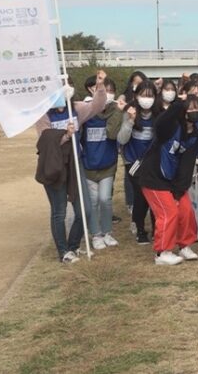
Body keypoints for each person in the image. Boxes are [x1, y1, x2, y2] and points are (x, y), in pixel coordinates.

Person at [35, 72, 106, 263]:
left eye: (67, 85)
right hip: (55, 166)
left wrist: (100, 87)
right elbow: (45, 140)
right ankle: (63, 251)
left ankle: (73, 246)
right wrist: (65, 135)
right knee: (59, 210)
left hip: (75, 164)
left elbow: (97, 106)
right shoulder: (43, 114)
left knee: (85, 209)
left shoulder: (76, 109)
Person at [136, 93, 198, 265]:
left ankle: (184, 245)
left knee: (186, 210)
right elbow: (160, 122)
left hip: (173, 180)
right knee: (168, 212)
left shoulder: (195, 135)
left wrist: (179, 190)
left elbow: (187, 165)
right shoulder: (171, 127)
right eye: (190, 108)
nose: (194, 111)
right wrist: (178, 104)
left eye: (197, 108)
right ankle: (162, 252)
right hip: (153, 177)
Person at [81, 75, 124, 250]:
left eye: (112, 91)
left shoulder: (115, 111)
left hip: (108, 164)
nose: (109, 95)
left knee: (105, 199)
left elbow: (113, 134)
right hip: (89, 165)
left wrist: (119, 112)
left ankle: (107, 232)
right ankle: (96, 234)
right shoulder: (85, 111)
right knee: (93, 201)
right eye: (106, 91)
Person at [117, 80, 158, 244]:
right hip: (133, 162)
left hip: (153, 162)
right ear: (136, 96)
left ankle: (158, 228)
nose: (146, 99)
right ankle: (140, 229)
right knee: (141, 196)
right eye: (143, 95)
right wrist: (130, 120)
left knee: (155, 194)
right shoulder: (129, 113)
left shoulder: (159, 114)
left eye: (150, 96)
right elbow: (122, 138)